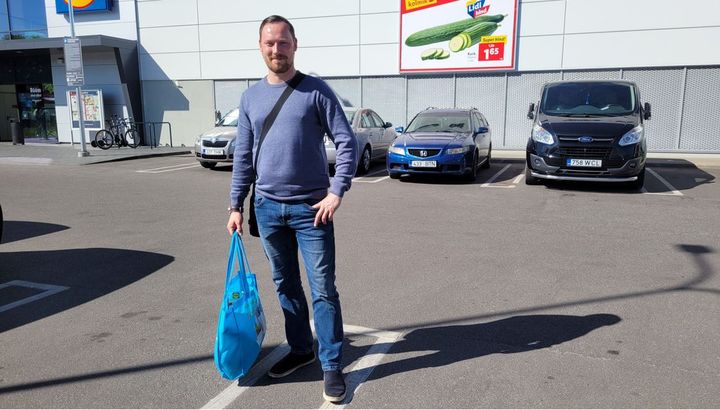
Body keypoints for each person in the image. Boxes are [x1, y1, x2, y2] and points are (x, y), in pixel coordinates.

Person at [226, 15, 357, 403]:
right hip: (267, 209)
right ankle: (301, 350)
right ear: (260, 47)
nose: (276, 50)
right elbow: (243, 158)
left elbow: (346, 143)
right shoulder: (249, 98)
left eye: (283, 43)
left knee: (322, 290)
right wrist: (236, 204)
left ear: (294, 45)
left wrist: (336, 191)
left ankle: (331, 364)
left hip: (311, 209)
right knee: (285, 285)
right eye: (269, 43)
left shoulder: (316, 91)